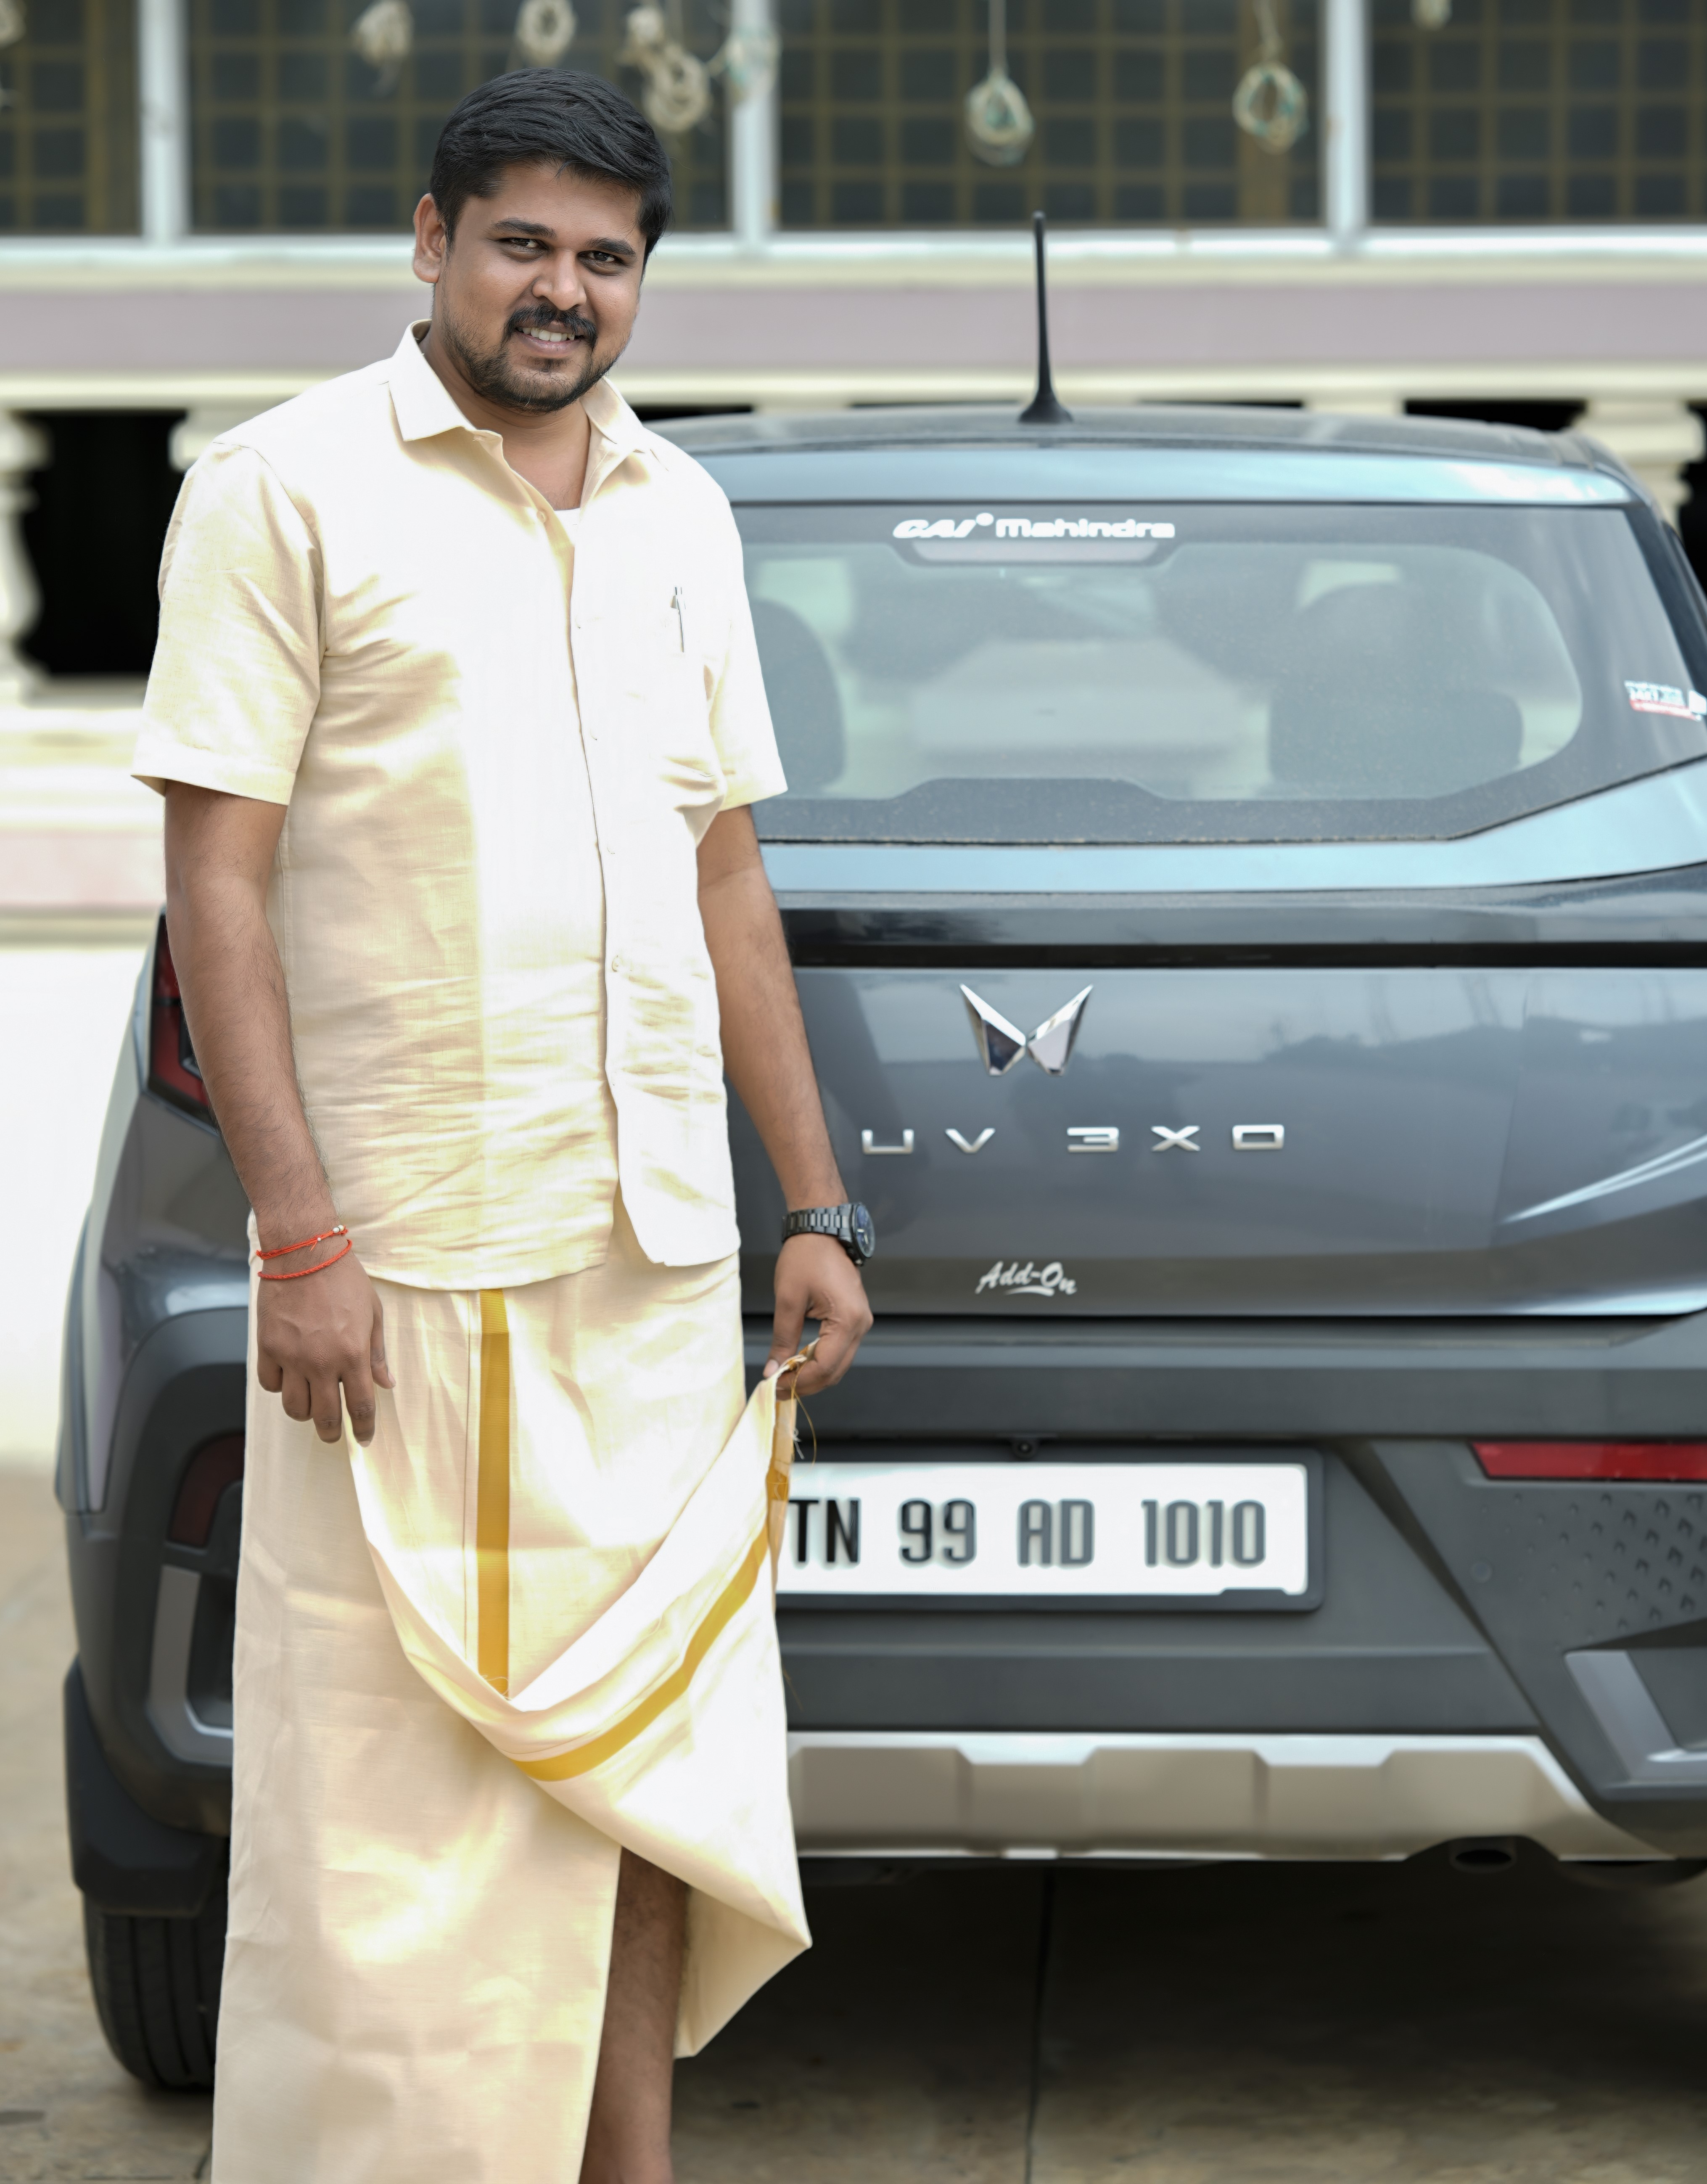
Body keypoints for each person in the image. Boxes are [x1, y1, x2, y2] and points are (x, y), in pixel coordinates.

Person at [134, 67, 874, 2184]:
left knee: (640, 1776)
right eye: (523, 244)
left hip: (655, 1268)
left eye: (604, 258)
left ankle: (623, 2165)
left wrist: (813, 1199)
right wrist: (299, 1237)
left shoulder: (679, 510)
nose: (563, 291)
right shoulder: (281, 491)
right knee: (390, 1818)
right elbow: (216, 888)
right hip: (403, 1275)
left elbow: (725, 871)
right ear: (433, 240)